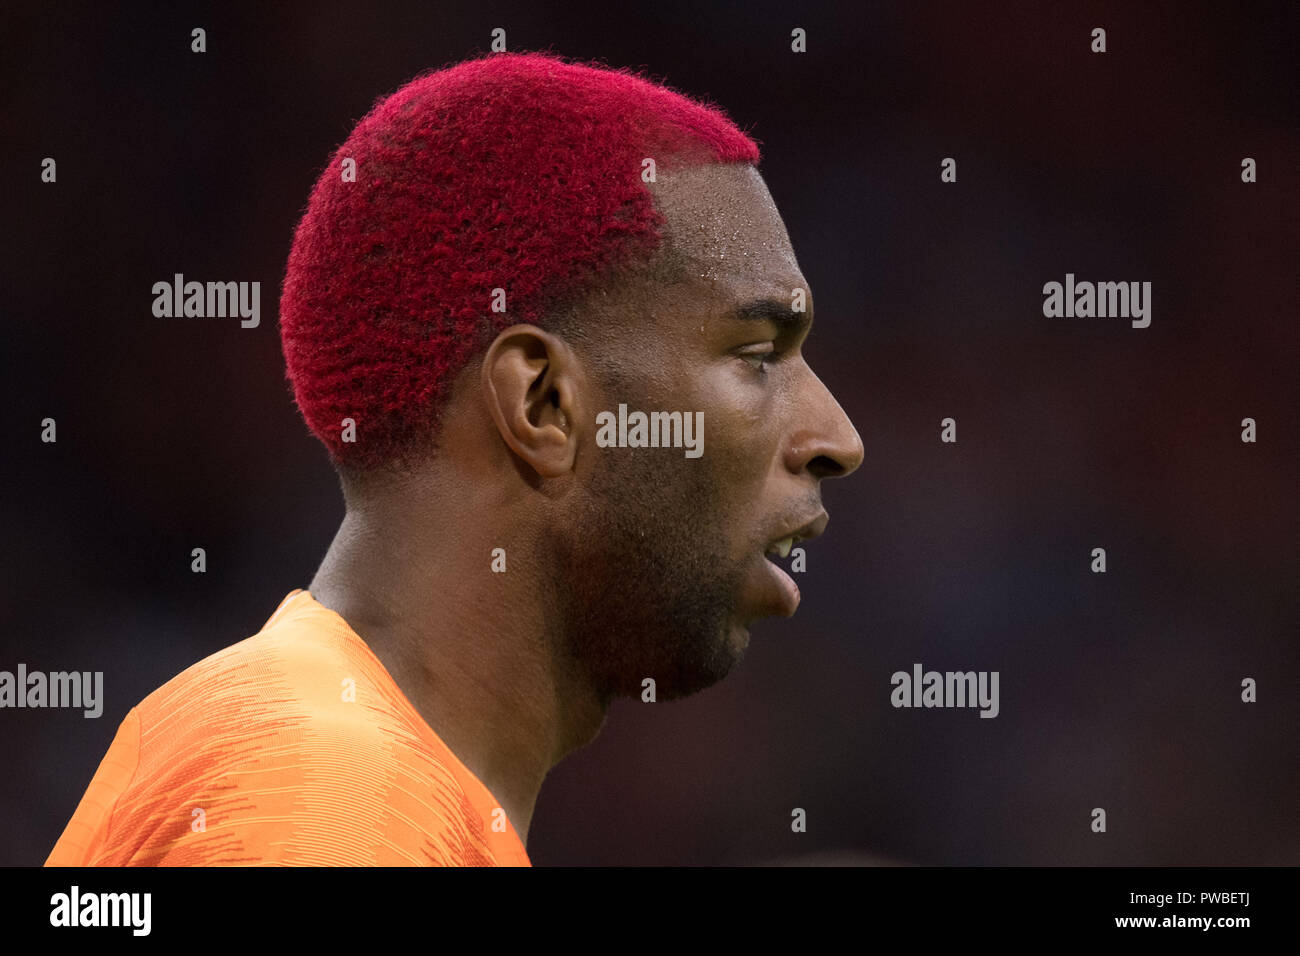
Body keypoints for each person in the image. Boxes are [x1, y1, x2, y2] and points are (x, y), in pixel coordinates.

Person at [46, 50, 863, 867]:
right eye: (757, 354)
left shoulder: (367, 778)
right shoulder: (330, 794)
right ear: (543, 404)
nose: (837, 439)